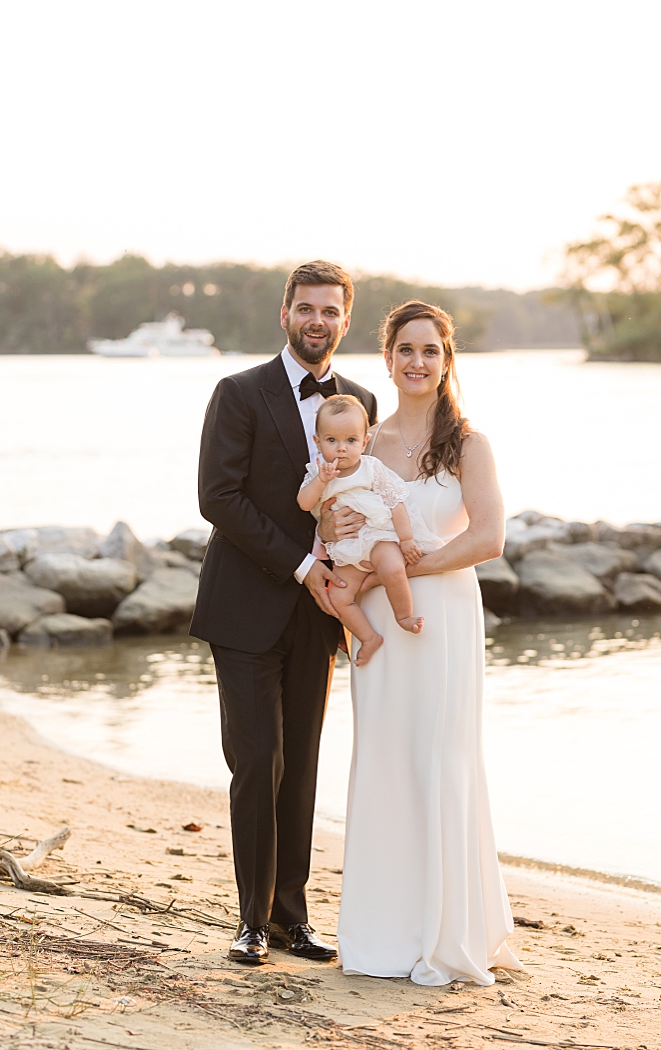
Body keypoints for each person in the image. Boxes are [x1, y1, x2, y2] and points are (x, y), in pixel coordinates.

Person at [323, 299, 522, 985]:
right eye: (405, 349)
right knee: (382, 761)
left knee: (441, 758)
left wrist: (408, 564)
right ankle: (382, 932)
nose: (417, 361)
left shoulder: (469, 444)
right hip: (379, 630)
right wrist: (339, 531)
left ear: (446, 360)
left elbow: (488, 537)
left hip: (441, 622)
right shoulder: (362, 443)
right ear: (387, 358)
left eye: (430, 350)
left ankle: (446, 933)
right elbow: (334, 527)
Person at [191, 260, 377, 964]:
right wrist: (302, 566)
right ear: (285, 313)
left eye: (330, 310)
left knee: (300, 765)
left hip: (317, 615)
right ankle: (250, 921)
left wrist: (359, 575)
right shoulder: (238, 392)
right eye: (306, 308)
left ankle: (292, 918)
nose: (317, 321)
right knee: (257, 759)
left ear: (344, 320)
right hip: (244, 605)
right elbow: (218, 496)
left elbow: (359, 501)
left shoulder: (359, 400)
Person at [296, 394, 442, 664]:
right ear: (318, 443)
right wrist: (320, 481)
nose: (342, 449)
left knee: (393, 568)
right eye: (332, 441)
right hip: (347, 549)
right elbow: (304, 503)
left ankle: (404, 615)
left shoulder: (372, 468)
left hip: (378, 537)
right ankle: (368, 637)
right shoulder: (317, 472)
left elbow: (396, 502)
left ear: (364, 442)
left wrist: (407, 539)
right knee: (338, 598)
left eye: (350, 441)